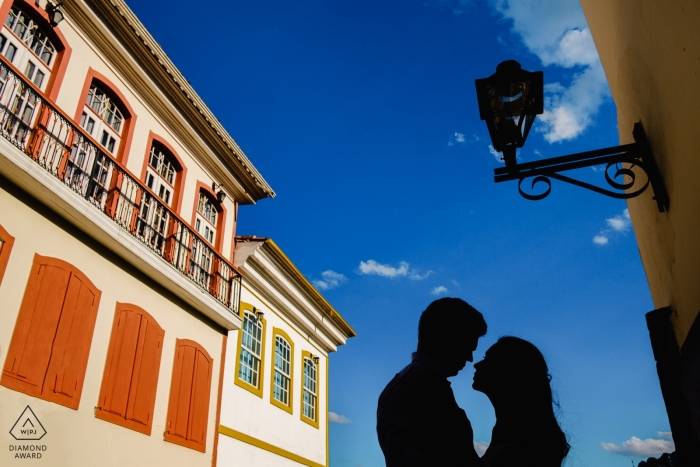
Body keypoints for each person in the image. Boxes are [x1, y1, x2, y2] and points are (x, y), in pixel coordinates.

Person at [377, 297, 487, 466]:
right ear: (445, 336)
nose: (470, 358)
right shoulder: (418, 386)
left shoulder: (417, 382)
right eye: (467, 347)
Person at [472, 336, 570, 467]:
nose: (476, 364)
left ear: (510, 371)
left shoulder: (523, 446)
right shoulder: (517, 433)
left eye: (488, 359)